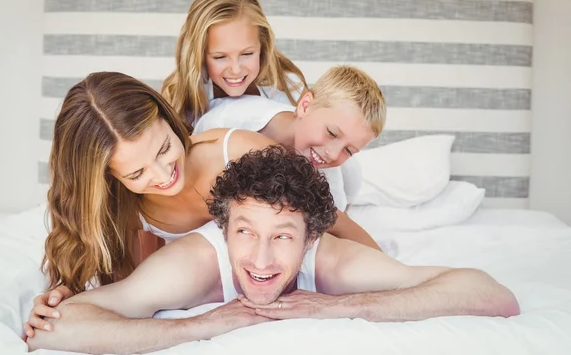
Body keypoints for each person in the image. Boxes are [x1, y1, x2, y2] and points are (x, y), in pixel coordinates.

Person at [27, 146, 520, 355]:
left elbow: (493, 295)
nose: (261, 261)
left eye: (283, 236)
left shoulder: (334, 263)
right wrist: (199, 325)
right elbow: (55, 330)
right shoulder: (193, 263)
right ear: (223, 229)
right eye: (245, 232)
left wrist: (341, 307)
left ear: (310, 238)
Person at [23, 71, 379, 338]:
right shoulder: (126, 213)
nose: (164, 175)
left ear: (167, 118)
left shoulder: (238, 153)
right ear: (110, 179)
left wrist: (380, 269)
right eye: (136, 174)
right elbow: (128, 292)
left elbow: (334, 221)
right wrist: (63, 295)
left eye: (164, 148)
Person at [193, 64, 385, 211]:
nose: (333, 154)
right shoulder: (230, 120)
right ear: (305, 105)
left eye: (349, 150)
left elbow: (335, 219)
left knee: (351, 176)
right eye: (332, 133)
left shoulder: (330, 172)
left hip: (347, 179)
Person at [160, 0, 307, 127]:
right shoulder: (183, 101)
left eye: (247, 54)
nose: (236, 70)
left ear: (263, 45)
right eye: (220, 57)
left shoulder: (289, 88)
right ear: (199, 55)